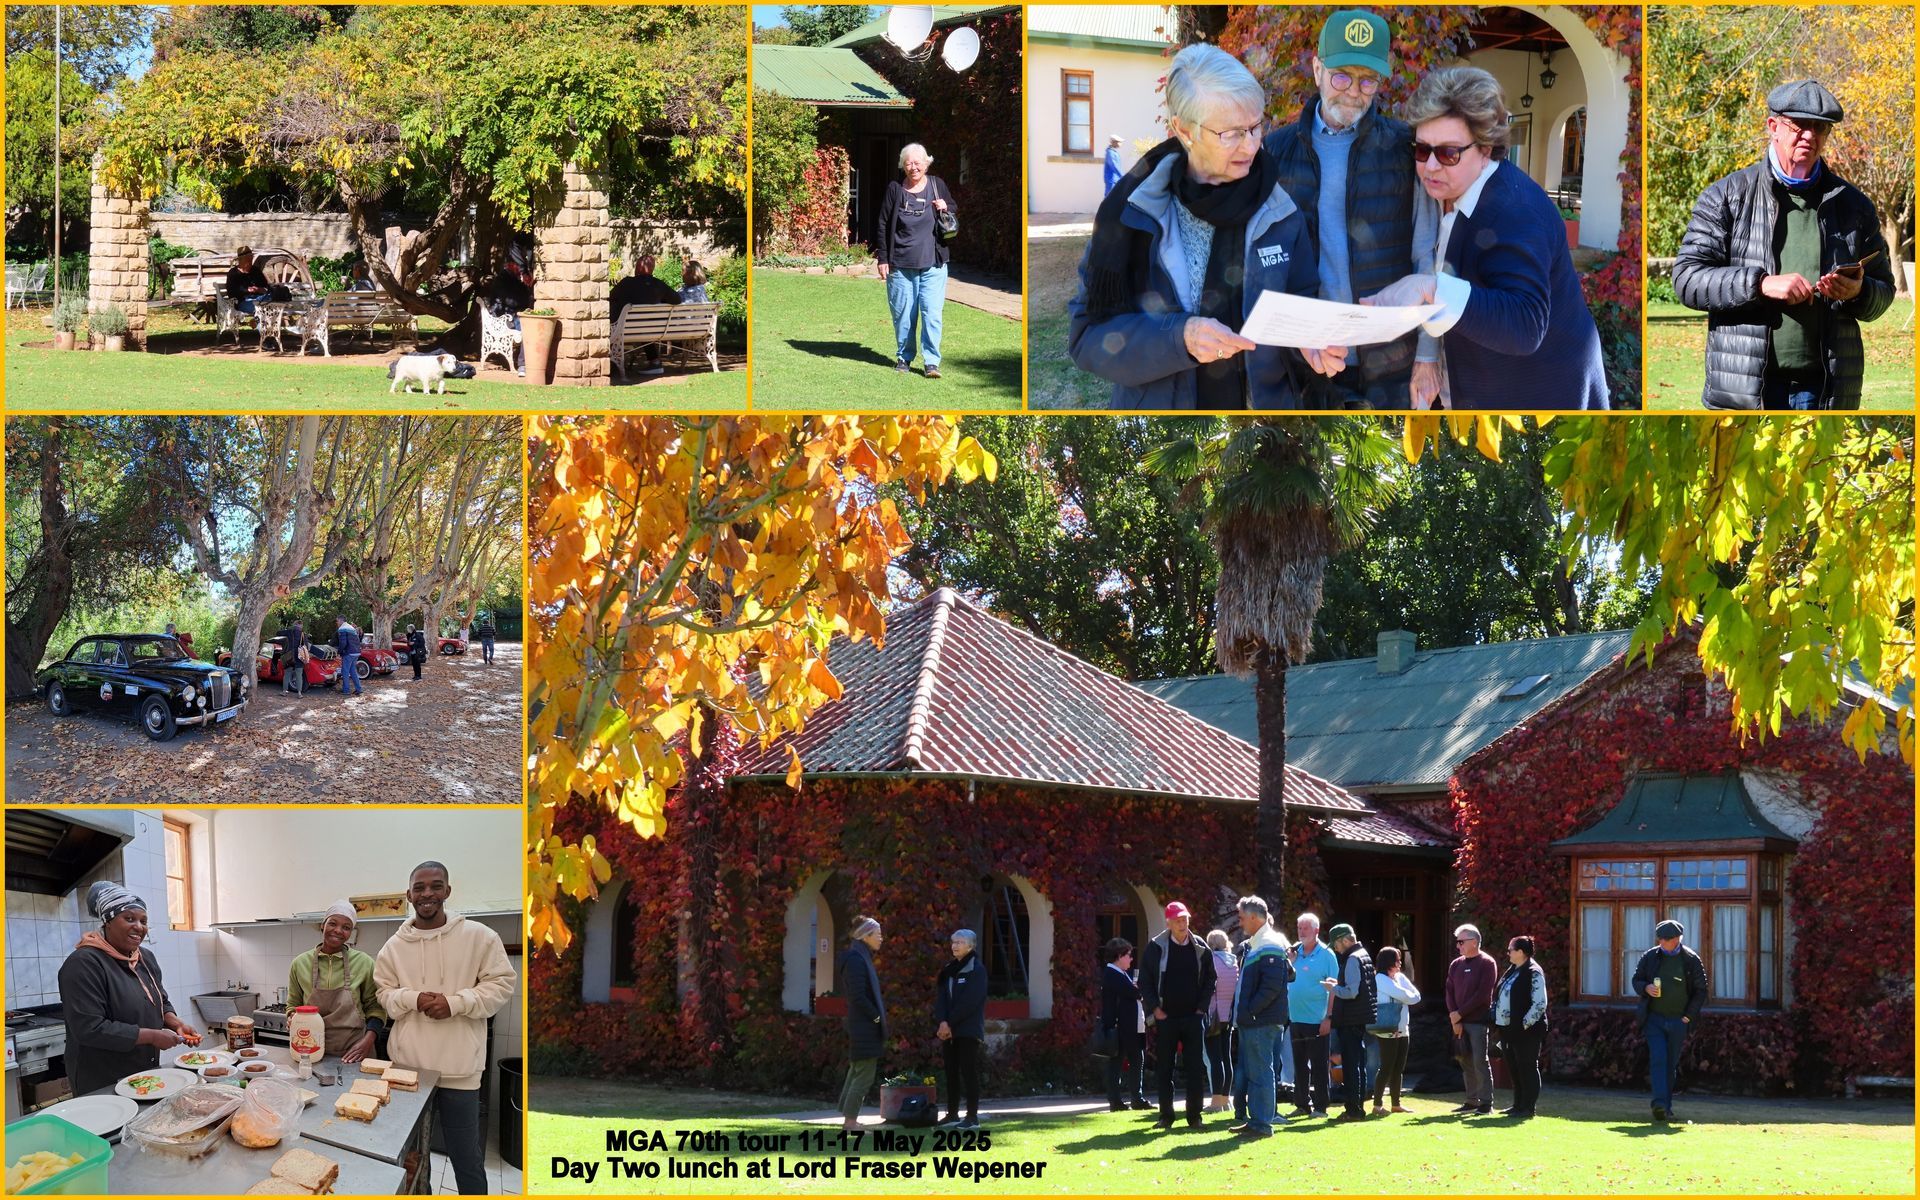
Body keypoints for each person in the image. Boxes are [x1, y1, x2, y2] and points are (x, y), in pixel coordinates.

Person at [1067, 44, 1346, 409]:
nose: (1250, 145)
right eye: (1230, 133)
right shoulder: (1131, 216)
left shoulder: (1281, 211)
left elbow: (1301, 306)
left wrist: (1309, 343)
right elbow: (1087, 338)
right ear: (1184, 129)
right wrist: (1178, 339)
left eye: (1255, 126)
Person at [1365, 66, 1608, 409]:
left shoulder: (1515, 210)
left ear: (1486, 147)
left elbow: (1525, 324)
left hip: (1541, 403)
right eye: (1421, 150)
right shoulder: (1453, 190)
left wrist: (1430, 288)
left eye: (1448, 153)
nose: (1430, 166)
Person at [1673, 80, 1894, 410]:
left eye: (1820, 128)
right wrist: (1760, 284)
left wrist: (1858, 293)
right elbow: (1687, 279)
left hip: (1826, 392)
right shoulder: (1727, 196)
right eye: (1800, 126)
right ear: (1773, 127)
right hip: (1747, 391)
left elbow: (1885, 291)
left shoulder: (1854, 206)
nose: (1810, 136)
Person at [1264, 9, 1440, 408]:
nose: (1353, 91)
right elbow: (1267, 266)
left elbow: (1426, 259)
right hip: (1312, 360)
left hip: (1393, 360)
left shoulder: (1404, 150)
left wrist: (1429, 355)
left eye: (1367, 80)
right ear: (1316, 70)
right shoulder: (1275, 153)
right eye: (1341, 76)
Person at [374, 862, 516, 1196]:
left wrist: (455, 1003)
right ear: (409, 895)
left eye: (436, 886)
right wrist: (413, 997)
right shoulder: (393, 947)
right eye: (419, 888)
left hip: (460, 1072)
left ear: (447, 891)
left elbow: (501, 986)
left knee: (466, 1157)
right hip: (408, 1071)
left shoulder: (480, 937)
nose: (427, 894)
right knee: (412, 1155)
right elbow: (384, 995)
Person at [57, 882, 202, 1096]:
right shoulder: (84, 963)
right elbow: (89, 1028)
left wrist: (175, 1022)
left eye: (143, 921)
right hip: (101, 1077)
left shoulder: (145, 958)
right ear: (108, 921)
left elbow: (160, 1000)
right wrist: (152, 1036)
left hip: (144, 1071)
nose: (139, 927)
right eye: (129, 918)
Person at [877, 143, 957, 379]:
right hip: (900, 265)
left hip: (933, 264)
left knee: (932, 314)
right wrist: (883, 258)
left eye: (917, 162)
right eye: (908, 163)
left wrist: (946, 205)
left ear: (926, 163)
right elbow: (882, 224)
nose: (913, 167)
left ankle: (931, 363)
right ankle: (904, 357)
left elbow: (952, 208)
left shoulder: (937, 185)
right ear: (903, 165)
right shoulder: (895, 189)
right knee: (904, 314)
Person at [1139, 900, 1216, 1129]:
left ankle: (1195, 1117)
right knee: (1165, 1069)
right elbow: (1145, 982)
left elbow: (1210, 979)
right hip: (1167, 1018)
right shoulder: (1155, 948)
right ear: (1169, 923)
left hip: (1193, 1018)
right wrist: (1155, 1009)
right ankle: (1166, 1116)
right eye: (1178, 920)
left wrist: (1201, 1008)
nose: (1183, 924)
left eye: (1185, 920)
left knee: (1195, 1068)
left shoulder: (1200, 947)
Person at [1630, 918, 1708, 1122]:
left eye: (1667, 939)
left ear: (1677, 939)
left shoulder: (1690, 959)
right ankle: (1659, 1105)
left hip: (1678, 1022)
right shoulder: (1650, 957)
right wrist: (1645, 988)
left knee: (1670, 1065)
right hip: (1653, 1019)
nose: (1662, 942)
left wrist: (1688, 1016)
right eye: (1660, 939)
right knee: (1658, 1059)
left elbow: (1701, 991)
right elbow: (1636, 980)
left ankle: (1666, 1107)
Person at [289, 900, 386, 1063]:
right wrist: (292, 1017)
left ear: (351, 932)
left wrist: (367, 1042)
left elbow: (376, 1008)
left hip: (355, 1051)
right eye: (332, 923)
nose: (338, 931)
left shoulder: (364, 963)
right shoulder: (300, 963)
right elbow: (293, 1004)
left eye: (346, 927)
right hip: (310, 1050)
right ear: (322, 925)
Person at [1227, 896, 1290, 1139]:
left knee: (1262, 1071)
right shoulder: (1259, 942)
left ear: (1254, 917)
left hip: (1261, 1021)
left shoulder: (1269, 943)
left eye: (1242, 917)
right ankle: (1257, 1121)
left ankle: (1262, 1124)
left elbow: (1272, 986)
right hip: (1256, 1020)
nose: (1240, 922)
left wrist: (1251, 1010)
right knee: (1257, 1071)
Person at [836, 916, 888, 1130]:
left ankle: (847, 1116)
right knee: (864, 1074)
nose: (881, 939)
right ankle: (850, 1122)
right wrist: (876, 1017)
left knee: (857, 1070)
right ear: (866, 936)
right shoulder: (857, 960)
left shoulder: (859, 956)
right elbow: (858, 996)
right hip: (864, 1024)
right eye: (878, 934)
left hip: (861, 1023)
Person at [933, 928, 987, 1129]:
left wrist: (950, 1023)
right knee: (951, 1072)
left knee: (968, 1071)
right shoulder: (948, 970)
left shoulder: (977, 970)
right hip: (948, 1030)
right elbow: (942, 1000)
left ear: (971, 946)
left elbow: (970, 1002)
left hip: (967, 1030)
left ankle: (972, 1117)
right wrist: (942, 1022)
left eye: (960, 942)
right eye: (953, 941)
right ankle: (952, 1114)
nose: (954, 945)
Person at [1286, 911, 1338, 1117]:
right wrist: (1290, 961)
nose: (1301, 932)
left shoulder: (1327, 955)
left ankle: (1320, 1107)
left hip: (1318, 1019)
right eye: (1299, 928)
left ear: (1316, 930)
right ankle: (1301, 1104)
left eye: (1305, 928)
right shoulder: (1294, 952)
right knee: (1299, 1066)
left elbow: (1335, 988)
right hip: (1295, 1018)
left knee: (1318, 1065)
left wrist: (1329, 1017)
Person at [1492, 934, 1548, 1120]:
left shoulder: (1533, 971)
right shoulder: (1512, 969)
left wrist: (1523, 1025)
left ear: (1521, 952)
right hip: (1509, 1030)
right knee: (1514, 1068)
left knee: (1527, 1067)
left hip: (1527, 1031)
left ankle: (1528, 1107)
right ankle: (1517, 1105)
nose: (1508, 952)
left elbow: (1540, 1003)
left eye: (1511, 949)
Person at [1445, 922, 1499, 1115]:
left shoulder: (1487, 963)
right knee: (1464, 1060)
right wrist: (1455, 1018)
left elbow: (1483, 995)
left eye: (1461, 942)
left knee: (1479, 1060)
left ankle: (1486, 1102)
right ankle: (1471, 1100)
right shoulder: (1456, 964)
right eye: (1457, 942)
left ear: (1474, 942)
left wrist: (1460, 1014)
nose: (1458, 946)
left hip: (1477, 1021)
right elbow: (1449, 991)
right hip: (1459, 1022)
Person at [1324, 923, 1377, 1120]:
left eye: (1336, 944)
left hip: (1351, 1019)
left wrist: (1333, 988)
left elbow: (1352, 992)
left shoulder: (1353, 959)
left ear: (1346, 940)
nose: (1336, 949)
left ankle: (1353, 1110)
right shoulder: (1363, 954)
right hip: (1360, 1018)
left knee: (1352, 1065)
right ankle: (1358, 1108)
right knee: (1359, 1064)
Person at [611, 253, 683, 377]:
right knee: (645, 325)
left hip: (626, 331)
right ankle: (654, 362)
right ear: (652, 269)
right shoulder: (659, 285)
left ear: (637, 269)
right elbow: (677, 300)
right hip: (653, 331)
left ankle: (612, 364)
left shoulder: (626, 283)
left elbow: (611, 297)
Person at [1370, 945, 1421, 1114]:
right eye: (1397, 960)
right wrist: (1405, 997)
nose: (1400, 964)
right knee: (1387, 1066)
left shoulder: (1399, 977)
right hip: (1387, 1027)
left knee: (1399, 1066)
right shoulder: (1380, 979)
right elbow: (1405, 996)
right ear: (1388, 962)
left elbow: (1416, 996)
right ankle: (1377, 1104)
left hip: (1402, 1027)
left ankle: (1396, 1103)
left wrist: (1405, 996)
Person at [1099, 938, 1149, 1111]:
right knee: (1118, 1062)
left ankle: (1135, 1098)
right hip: (1121, 1027)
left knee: (1135, 1059)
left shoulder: (1120, 973)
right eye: (1128, 955)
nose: (1131, 959)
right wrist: (1141, 989)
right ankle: (1117, 1101)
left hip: (1130, 1026)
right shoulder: (1112, 973)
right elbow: (1135, 992)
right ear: (1119, 956)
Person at [1204, 929, 1239, 1113]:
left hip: (1213, 1015)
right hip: (1229, 1016)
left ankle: (1216, 1102)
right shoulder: (1234, 962)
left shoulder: (1212, 961)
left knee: (1215, 1058)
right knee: (1226, 1058)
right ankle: (1225, 1100)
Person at [486, 253, 534, 376]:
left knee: (529, 324)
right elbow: (510, 302)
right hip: (503, 318)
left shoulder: (514, 279)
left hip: (513, 314)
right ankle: (523, 364)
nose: (520, 270)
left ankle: (525, 363)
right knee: (527, 328)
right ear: (510, 265)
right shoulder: (503, 279)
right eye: (518, 266)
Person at [225, 246, 275, 315]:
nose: (250, 261)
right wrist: (247, 290)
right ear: (240, 260)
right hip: (242, 302)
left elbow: (265, 286)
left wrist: (260, 289)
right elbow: (232, 292)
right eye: (247, 259)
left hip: (260, 298)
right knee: (261, 309)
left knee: (274, 302)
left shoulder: (256, 271)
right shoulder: (233, 273)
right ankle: (261, 324)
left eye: (251, 258)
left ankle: (269, 324)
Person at [277, 615, 307, 695]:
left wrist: (286, 630)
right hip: (299, 657)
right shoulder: (303, 635)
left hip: (289, 656)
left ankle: (284, 691)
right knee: (299, 675)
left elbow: (278, 633)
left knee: (287, 674)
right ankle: (299, 693)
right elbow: (306, 647)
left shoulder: (289, 632)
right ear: (301, 626)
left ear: (295, 625)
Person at [334, 616, 363, 697]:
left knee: (345, 671)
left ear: (340, 620)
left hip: (348, 653)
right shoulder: (351, 628)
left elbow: (343, 643)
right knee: (353, 671)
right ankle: (359, 689)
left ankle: (346, 690)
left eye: (337, 621)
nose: (337, 623)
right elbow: (358, 640)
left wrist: (339, 652)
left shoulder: (342, 629)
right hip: (356, 652)